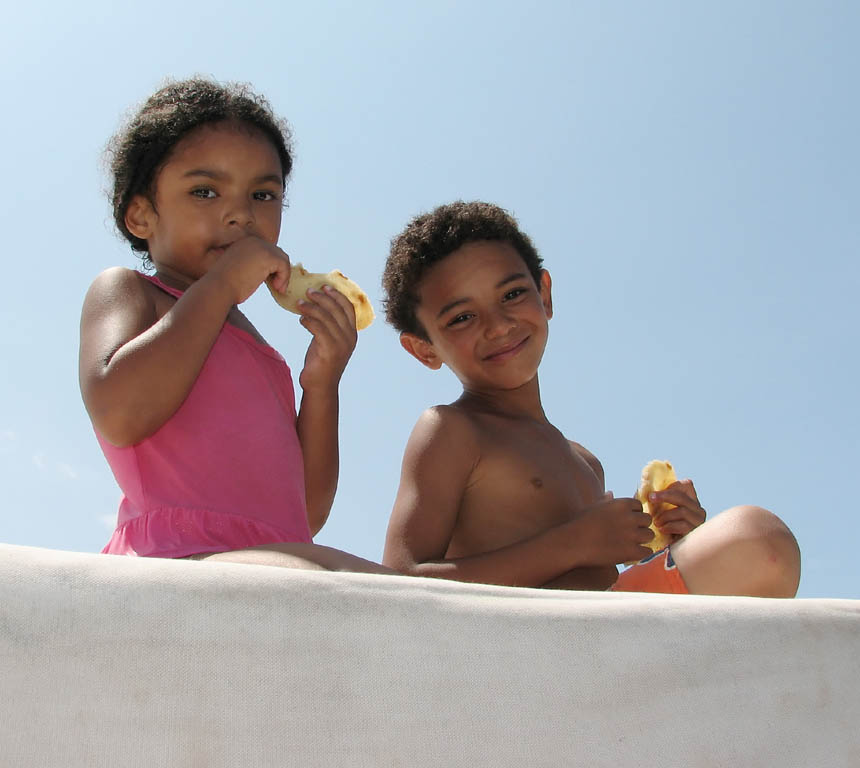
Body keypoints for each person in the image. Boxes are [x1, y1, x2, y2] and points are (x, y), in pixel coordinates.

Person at [381, 201, 800, 596]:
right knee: (756, 533)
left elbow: (594, 576)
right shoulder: (452, 429)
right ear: (425, 349)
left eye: (511, 295)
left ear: (544, 294)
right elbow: (401, 581)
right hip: (527, 644)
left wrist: (674, 540)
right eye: (462, 318)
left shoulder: (586, 463)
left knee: (754, 550)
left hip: (606, 635)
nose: (498, 325)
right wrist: (573, 543)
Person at [80, 78, 391, 574]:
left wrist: (322, 383)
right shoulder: (130, 292)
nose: (241, 215)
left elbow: (303, 513)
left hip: (272, 564)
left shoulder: (262, 353)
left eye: (263, 195)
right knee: (373, 587)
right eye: (205, 191)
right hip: (176, 558)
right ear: (140, 215)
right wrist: (224, 282)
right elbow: (120, 413)